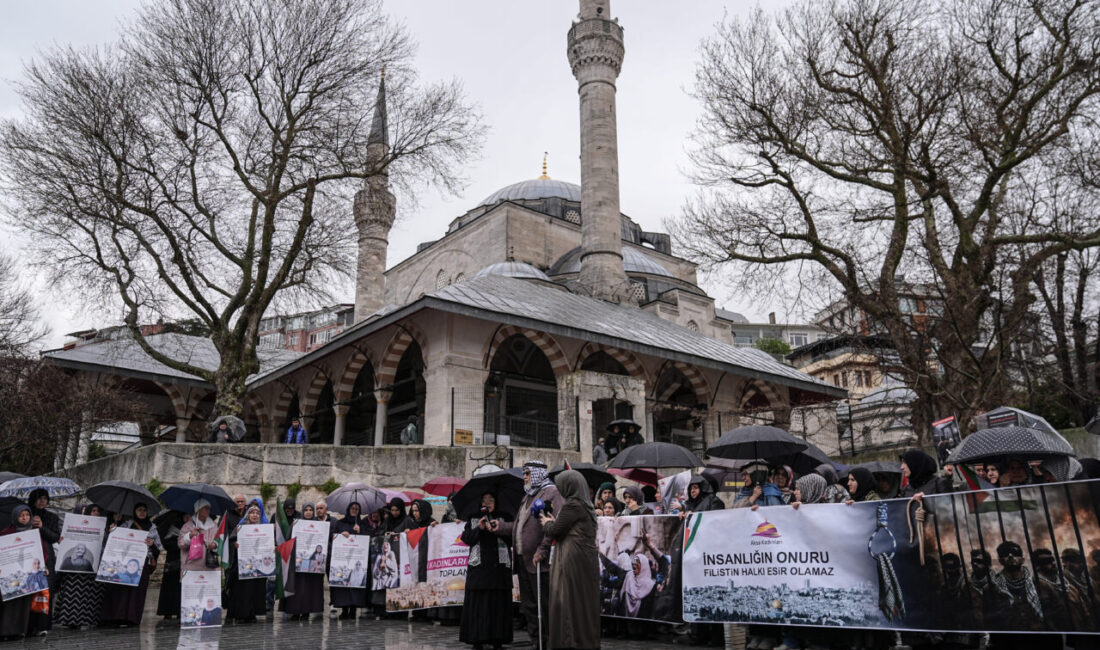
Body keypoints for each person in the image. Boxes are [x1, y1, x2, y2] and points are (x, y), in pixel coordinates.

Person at [495, 460, 563, 649]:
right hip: (523, 560)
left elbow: (554, 524)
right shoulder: (528, 496)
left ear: (538, 473)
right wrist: (500, 527)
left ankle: (550, 641)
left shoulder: (552, 493)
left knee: (544, 604)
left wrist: (543, 549)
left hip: (540, 561)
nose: (524, 477)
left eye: (527, 473)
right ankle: (536, 641)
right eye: (524, 473)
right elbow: (518, 526)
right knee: (529, 605)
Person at [539, 469, 600, 650]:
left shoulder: (572, 505)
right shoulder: (584, 505)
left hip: (572, 557)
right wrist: (554, 522)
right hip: (583, 557)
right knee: (582, 600)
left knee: (568, 598)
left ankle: (569, 641)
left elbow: (555, 530)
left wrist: (546, 523)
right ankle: (582, 640)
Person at [459, 492, 514, 650]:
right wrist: (480, 528)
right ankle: (477, 640)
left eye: (491, 500)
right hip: (479, 571)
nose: (487, 503)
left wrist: (499, 529)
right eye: (484, 500)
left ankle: (498, 640)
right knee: (479, 606)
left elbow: (512, 539)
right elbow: (467, 538)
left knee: (498, 605)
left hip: (499, 570)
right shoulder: (473, 518)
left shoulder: (505, 517)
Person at [101, 502, 161, 627]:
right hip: (125, 562)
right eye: (139, 510)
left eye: (144, 510)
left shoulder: (152, 528)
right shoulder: (127, 525)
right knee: (122, 589)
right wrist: (114, 531)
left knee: (137, 592)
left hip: (142, 563)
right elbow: (116, 539)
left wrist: (152, 545)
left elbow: (158, 548)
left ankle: (132, 618)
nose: (142, 512)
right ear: (135, 511)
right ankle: (118, 616)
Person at [55, 505, 107, 630]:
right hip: (74, 572)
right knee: (73, 595)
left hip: (93, 567)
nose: (96, 513)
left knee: (91, 595)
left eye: (98, 511)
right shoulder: (76, 524)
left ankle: (89, 619)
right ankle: (70, 619)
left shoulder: (104, 527)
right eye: (93, 511)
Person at [0, 505, 44, 640]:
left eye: (27, 515)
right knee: (9, 602)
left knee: (24, 603)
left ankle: (19, 631)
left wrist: (44, 565)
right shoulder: (6, 533)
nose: (25, 518)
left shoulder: (34, 533)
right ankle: (4, 632)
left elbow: (42, 551)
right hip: (10, 574)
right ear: (15, 517)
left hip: (27, 574)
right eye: (21, 515)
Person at [226, 500, 267, 623]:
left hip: (258, 566)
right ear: (248, 514)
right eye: (252, 512)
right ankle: (241, 614)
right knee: (243, 590)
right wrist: (235, 544)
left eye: (257, 513)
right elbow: (231, 540)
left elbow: (268, 544)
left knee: (255, 590)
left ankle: (251, 613)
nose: (255, 515)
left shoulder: (264, 529)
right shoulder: (241, 527)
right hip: (243, 565)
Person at [990, 541, 1043, 631]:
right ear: (1000, 560)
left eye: (1015, 553)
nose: (1010, 556)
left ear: (1022, 559)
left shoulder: (1038, 583)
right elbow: (990, 619)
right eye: (1005, 553)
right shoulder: (992, 587)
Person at [331, 502, 367, 620]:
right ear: (348, 509)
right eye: (352, 508)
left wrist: (360, 531)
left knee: (355, 586)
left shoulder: (362, 523)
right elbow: (333, 537)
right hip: (344, 559)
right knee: (344, 587)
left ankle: (353, 610)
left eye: (357, 509)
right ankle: (344, 610)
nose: (354, 511)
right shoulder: (340, 523)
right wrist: (341, 535)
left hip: (357, 560)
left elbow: (368, 537)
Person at [155, 510, 189, 619]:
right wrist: (180, 544)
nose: (188, 518)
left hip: (186, 561)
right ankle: (167, 611)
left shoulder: (192, 528)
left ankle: (180, 610)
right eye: (186, 515)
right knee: (170, 587)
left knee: (182, 587)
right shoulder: (172, 527)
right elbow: (166, 544)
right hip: (173, 561)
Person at [179, 499, 219, 574]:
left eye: (209, 508)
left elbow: (219, 540)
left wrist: (215, 545)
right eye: (205, 508)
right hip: (192, 567)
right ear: (198, 510)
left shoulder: (214, 526)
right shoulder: (187, 526)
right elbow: (181, 544)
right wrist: (190, 535)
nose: (208, 510)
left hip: (210, 566)